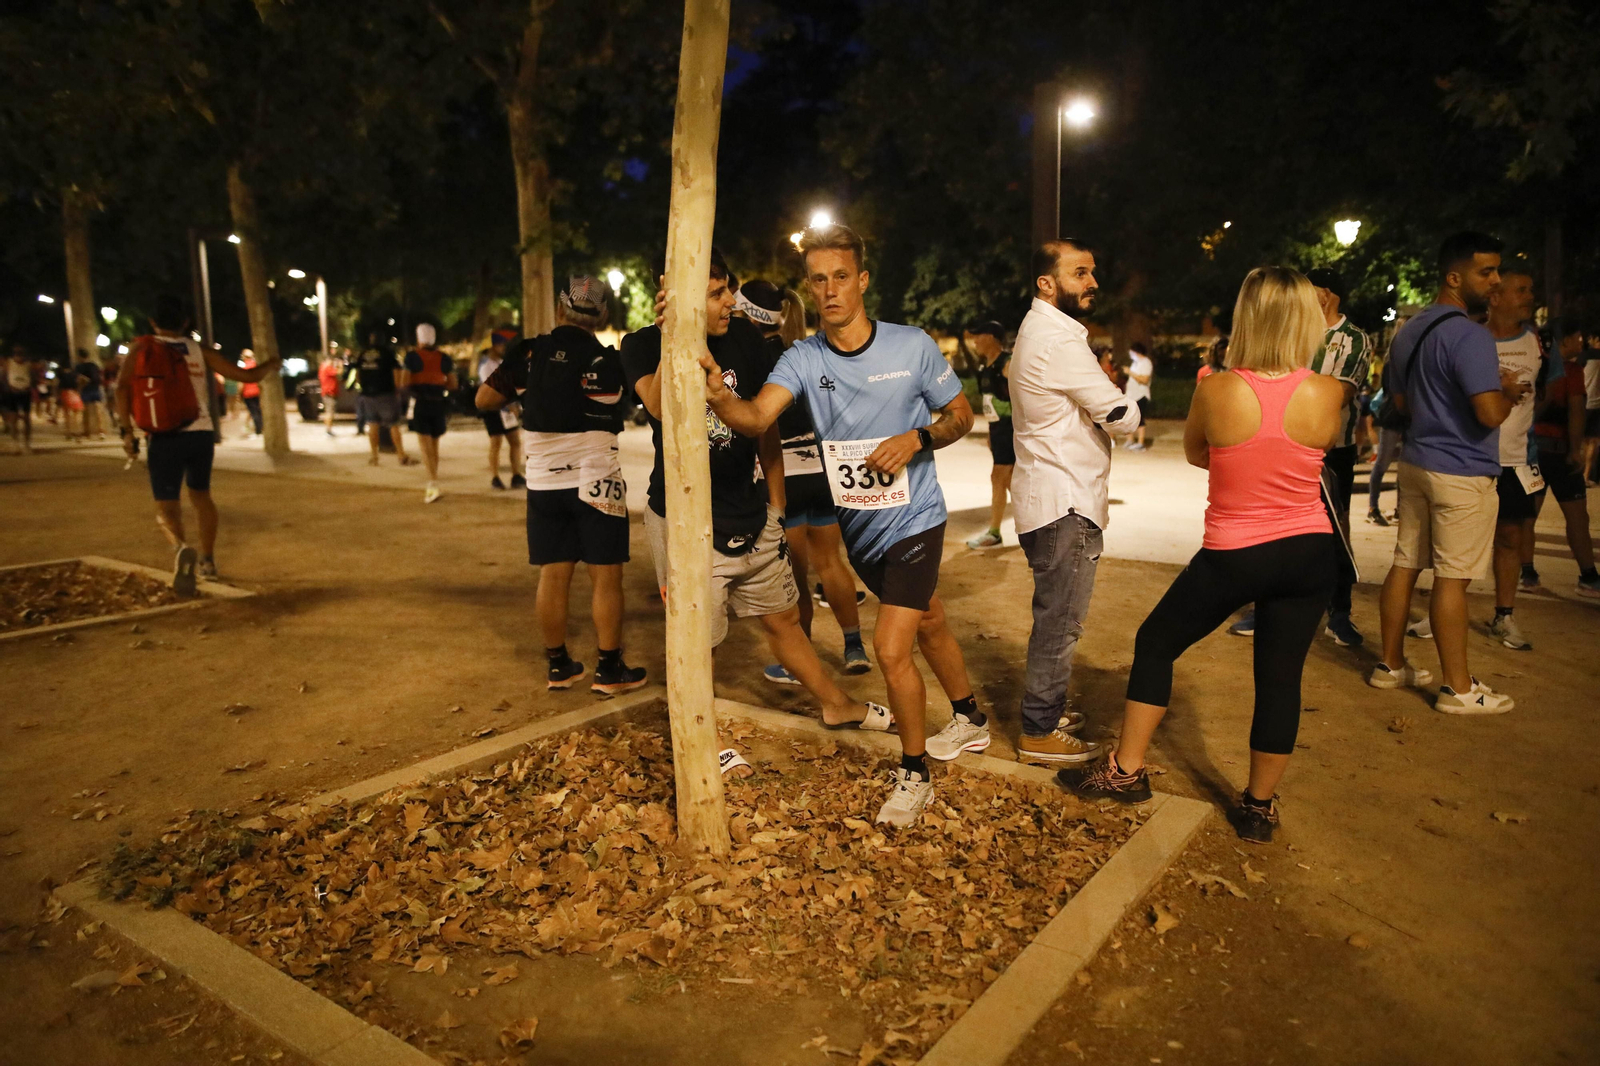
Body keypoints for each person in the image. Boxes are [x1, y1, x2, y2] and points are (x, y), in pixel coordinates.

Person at [699, 225, 979, 827]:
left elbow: (962, 416)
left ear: (863, 280)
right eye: (818, 279)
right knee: (929, 618)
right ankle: (971, 717)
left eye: (841, 277)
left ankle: (914, 775)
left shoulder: (911, 347)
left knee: (890, 648)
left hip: (917, 518)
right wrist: (719, 397)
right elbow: (756, 419)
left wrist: (917, 438)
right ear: (809, 287)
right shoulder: (802, 358)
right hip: (860, 530)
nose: (830, 290)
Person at [1070, 267, 1345, 844]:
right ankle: (1258, 808)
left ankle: (1125, 772)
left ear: (1248, 317)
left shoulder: (1217, 390)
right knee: (1280, 679)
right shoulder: (1328, 391)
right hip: (1310, 550)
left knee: (1156, 642)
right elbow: (1315, 451)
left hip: (1236, 551)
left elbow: (1199, 453)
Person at [629, 252, 887, 729]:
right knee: (696, 642)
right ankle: (703, 739)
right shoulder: (642, 344)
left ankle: (837, 704)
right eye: (716, 294)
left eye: (728, 288)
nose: (731, 301)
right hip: (685, 524)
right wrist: (673, 337)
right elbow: (660, 407)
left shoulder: (745, 339)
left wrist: (777, 506)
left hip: (751, 513)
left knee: (784, 620)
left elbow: (764, 424)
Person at [1370, 232, 1525, 714]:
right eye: (1486, 272)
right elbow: (1489, 414)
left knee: (1405, 563)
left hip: (1417, 462)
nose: (1496, 281)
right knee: (1452, 580)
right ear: (1454, 278)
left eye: (1498, 271)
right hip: (1462, 471)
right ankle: (1458, 689)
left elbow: (1400, 403)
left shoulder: (1411, 330)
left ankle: (1390, 665)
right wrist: (1508, 393)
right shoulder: (1472, 336)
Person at [478, 277, 647, 694]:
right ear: (601, 317)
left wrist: (529, 394)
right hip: (597, 476)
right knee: (606, 576)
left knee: (553, 575)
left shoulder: (529, 354)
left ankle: (558, 666)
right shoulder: (609, 360)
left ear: (559, 310)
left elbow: (484, 400)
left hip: (543, 480)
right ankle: (609, 670)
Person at [1009, 240, 1141, 766]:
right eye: (1080, 273)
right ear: (1047, 283)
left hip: (1048, 497)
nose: (1092, 283)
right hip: (1065, 502)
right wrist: (1122, 411)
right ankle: (1039, 730)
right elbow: (1120, 415)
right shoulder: (1058, 341)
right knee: (1061, 622)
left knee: (1055, 616)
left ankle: (1046, 711)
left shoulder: (1040, 330)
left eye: (1092, 272)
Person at [735, 279, 872, 682]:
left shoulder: (750, 355)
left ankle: (800, 661)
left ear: (748, 313)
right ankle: (854, 647)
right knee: (830, 562)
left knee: (795, 574)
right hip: (821, 469)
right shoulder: (801, 350)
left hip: (786, 472)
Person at [116, 294, 279, 590]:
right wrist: (271, 364)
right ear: (185, 322)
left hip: (163, 436)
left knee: (167, 507)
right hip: (200, 433)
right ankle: (208, 560)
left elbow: (121, 388)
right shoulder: (198, 350)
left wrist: (126, 431)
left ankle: (181, 549)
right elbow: (246, 375)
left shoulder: (140, 348)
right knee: (202, 497)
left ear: (152, 322)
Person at [1305, 267, 1372, 648]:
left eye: (1309, 289)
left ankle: (1339, 611)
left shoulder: (1354, 339)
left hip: (1335, 450)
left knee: (1336, 528)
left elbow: (1340, 393)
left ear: (1327, 294)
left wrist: (1297, 388)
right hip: (1291, 446)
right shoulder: (1296, 332)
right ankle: (1273, 605)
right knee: (1283, 529)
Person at [1481, 264, 1545, 649]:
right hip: (1471, 455)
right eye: (1521, 290)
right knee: (1458, 538)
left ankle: (1504, 616)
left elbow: (1550, 392)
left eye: (1530, 289)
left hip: (1516, 459)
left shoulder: (1538, 342)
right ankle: (1443, 607)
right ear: (1495, 297)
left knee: (1509, 537)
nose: (1530, 297)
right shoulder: (1471, 339)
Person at [1528, 324, 1600, 597]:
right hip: (1559, 452)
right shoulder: (1571, 372)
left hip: (1531, 453)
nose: (1581, 344)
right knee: (1577, 515)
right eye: (1576, 338)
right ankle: (1588, 576)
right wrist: (1575, 450)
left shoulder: (1533, 368)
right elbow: (1576, 412)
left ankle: (1527, 572)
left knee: (1528, 515)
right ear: (1564, 341)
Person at [964, 320, 1016, 549]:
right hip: (998, 429)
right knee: (1011, 481)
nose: (975, 340)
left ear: (992, 337)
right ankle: (1037, 528)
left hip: (1010, 428)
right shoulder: (985, 367)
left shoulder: (1008, 363)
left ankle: (994, 532)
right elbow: (989, 403)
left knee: (998, 477)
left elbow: (1022, 397)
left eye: (979, 335)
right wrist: (990, 432)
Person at [403, 324, 454, 503]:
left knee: (424, 445)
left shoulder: (412, 357)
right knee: (434, 445)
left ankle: (432, 483)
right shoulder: (444, 358)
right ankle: (433, 479)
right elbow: (453, 383)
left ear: (419, 338)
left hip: (421, 402)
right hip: (438, 403)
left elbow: (404, 381)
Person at [352, 330, 414, 468]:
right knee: (393, 424)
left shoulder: (363, 354)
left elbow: (357, 375)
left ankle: (374, 456)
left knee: (372, 424)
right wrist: (397, 389)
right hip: (386, 394)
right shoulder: (387, 353)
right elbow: (396, 371)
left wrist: (364, 387)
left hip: (368, 395)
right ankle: (401, 455)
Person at [477, 329, 526, 490]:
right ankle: (495, 477)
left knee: (515, 441)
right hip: (493, 410)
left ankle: (516, 475)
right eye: (500, 344)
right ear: (492, 346)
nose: (503, 347)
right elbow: (492, 389)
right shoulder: (485, 365)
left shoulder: (501, 363)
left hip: (507, 409)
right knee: (496, 442)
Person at [2, 341, 34, 454]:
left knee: (26, 418)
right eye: (16, 352)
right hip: (12, 392)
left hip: (25, 392)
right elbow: (4, 377)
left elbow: (32, 377)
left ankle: (27, 444)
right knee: (13, 419)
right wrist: (8, 388)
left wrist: (29, 387)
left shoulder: (28, 364)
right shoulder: (8, 363)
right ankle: (15, 444)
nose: (19, 355)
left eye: (21, 352)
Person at [1120, 341, 1153, 450]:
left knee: (1140, 419)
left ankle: (1140, 443)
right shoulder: (1135, 363)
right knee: (1127, 418)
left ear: (1137, 352)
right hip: (1131, 395)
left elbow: (1144, 379)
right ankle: (1130, 440)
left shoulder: (1146, 363)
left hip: (1141, 395)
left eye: (1131, 352)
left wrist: (1130, 372)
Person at [74, 350, 107, 440]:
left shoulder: (79, 367)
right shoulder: (93, 365)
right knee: (97, 410)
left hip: (87, 389)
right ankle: (99, 430)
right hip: (94, 388)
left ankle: (88, 431)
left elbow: (79, 379)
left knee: (87, 411)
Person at [238, 349, 263, 437]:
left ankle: (258, 431)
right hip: (257, 392)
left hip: (248, 393)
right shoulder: (256, 366)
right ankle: (260, 428)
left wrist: (239, 394)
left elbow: (241, 384)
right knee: (258, 411)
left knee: (253, 412)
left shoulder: (244, 368)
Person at [317, 351, 342, 437]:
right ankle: (328, 430)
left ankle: (328, 429)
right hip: (329, 393)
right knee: (329, 412)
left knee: (328, 411)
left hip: (327, 392)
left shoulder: (322, 367)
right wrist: (340, 365)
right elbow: (339, 372)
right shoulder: (327, 368)